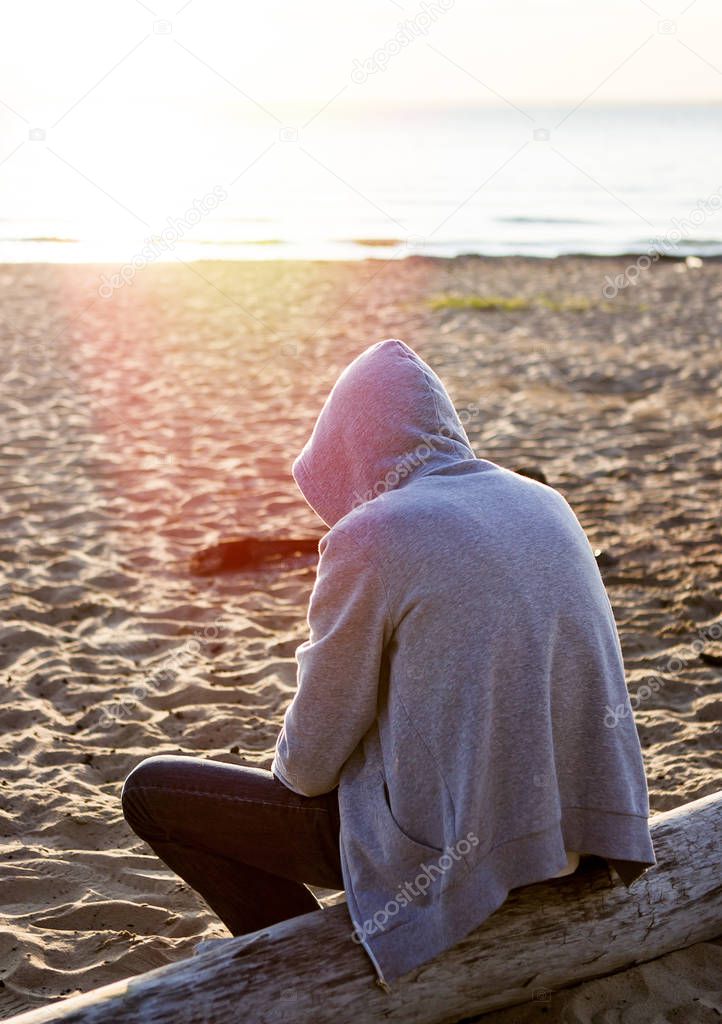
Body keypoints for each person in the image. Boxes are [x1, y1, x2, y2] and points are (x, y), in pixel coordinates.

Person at [121, 338, 656, 989]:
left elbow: (307, 769)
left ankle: (304, 978)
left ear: (351, 449)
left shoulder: (372, 534)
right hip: (584, 832)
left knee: (151, 792)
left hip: (459, 853)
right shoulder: (544, 503)